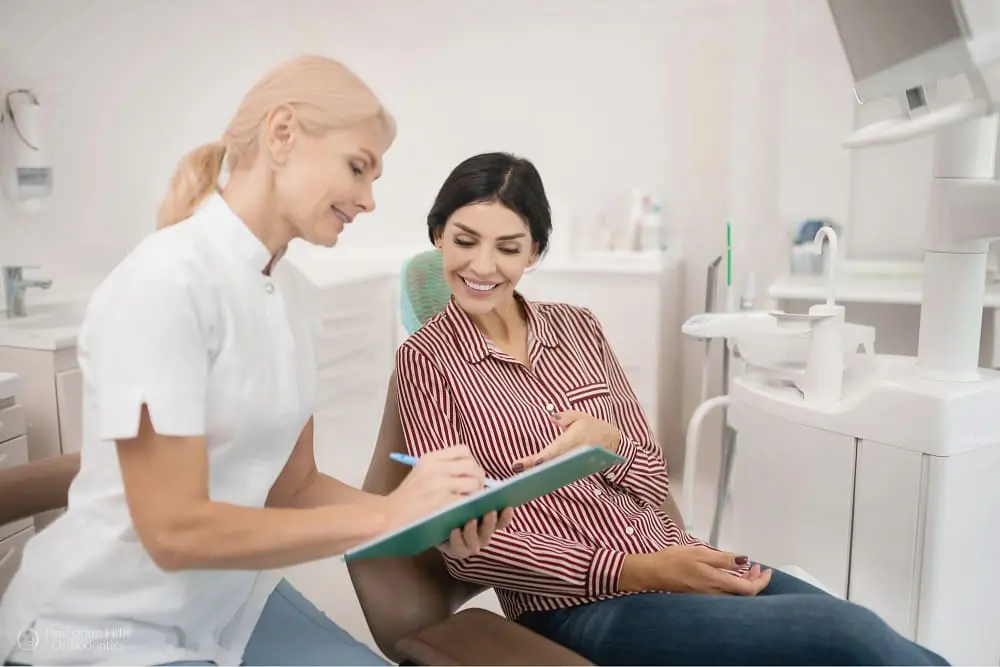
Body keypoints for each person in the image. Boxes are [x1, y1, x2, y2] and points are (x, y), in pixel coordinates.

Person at [0, 56, 512, 667]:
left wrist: (432, 516)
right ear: (282, 134)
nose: (370, 200)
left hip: (230, 602)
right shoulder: (165, 281)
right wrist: (385, 512)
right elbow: (173, 532)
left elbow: (293, 487)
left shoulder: (296, 298)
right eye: (357, 168)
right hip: (107, 626)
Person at [392, 151, 950, 666]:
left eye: (508, 248)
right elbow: (470, 554)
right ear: (438, 234)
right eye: (465, 240)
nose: (482, 266)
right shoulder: (425, 363)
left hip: (675, 553)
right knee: (838, 637)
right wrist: (648, 572)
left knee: (867, 632)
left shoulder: (578, 327)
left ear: (534, 252)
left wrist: (609, 448)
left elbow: (653, 475)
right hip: (575, 604)